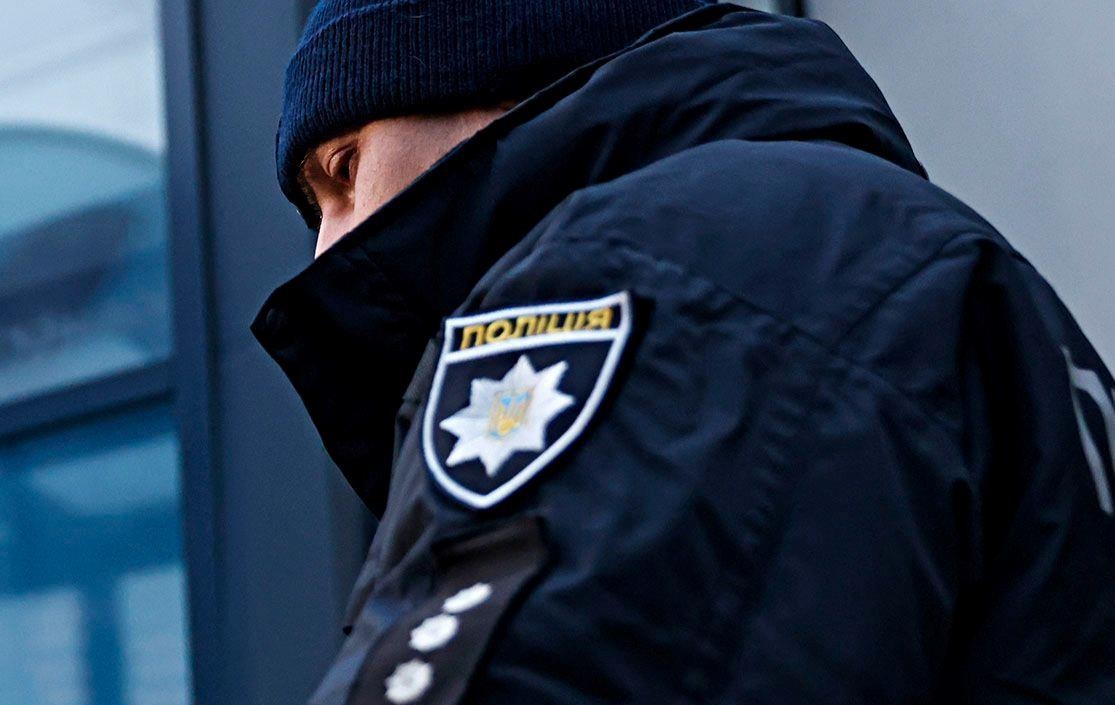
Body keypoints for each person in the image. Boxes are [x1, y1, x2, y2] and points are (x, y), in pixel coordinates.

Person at [252, 2, 1115, 703]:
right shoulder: (861, 259)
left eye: (345, 169)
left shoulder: (661, 269)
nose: (328, 248)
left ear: (503, 78)